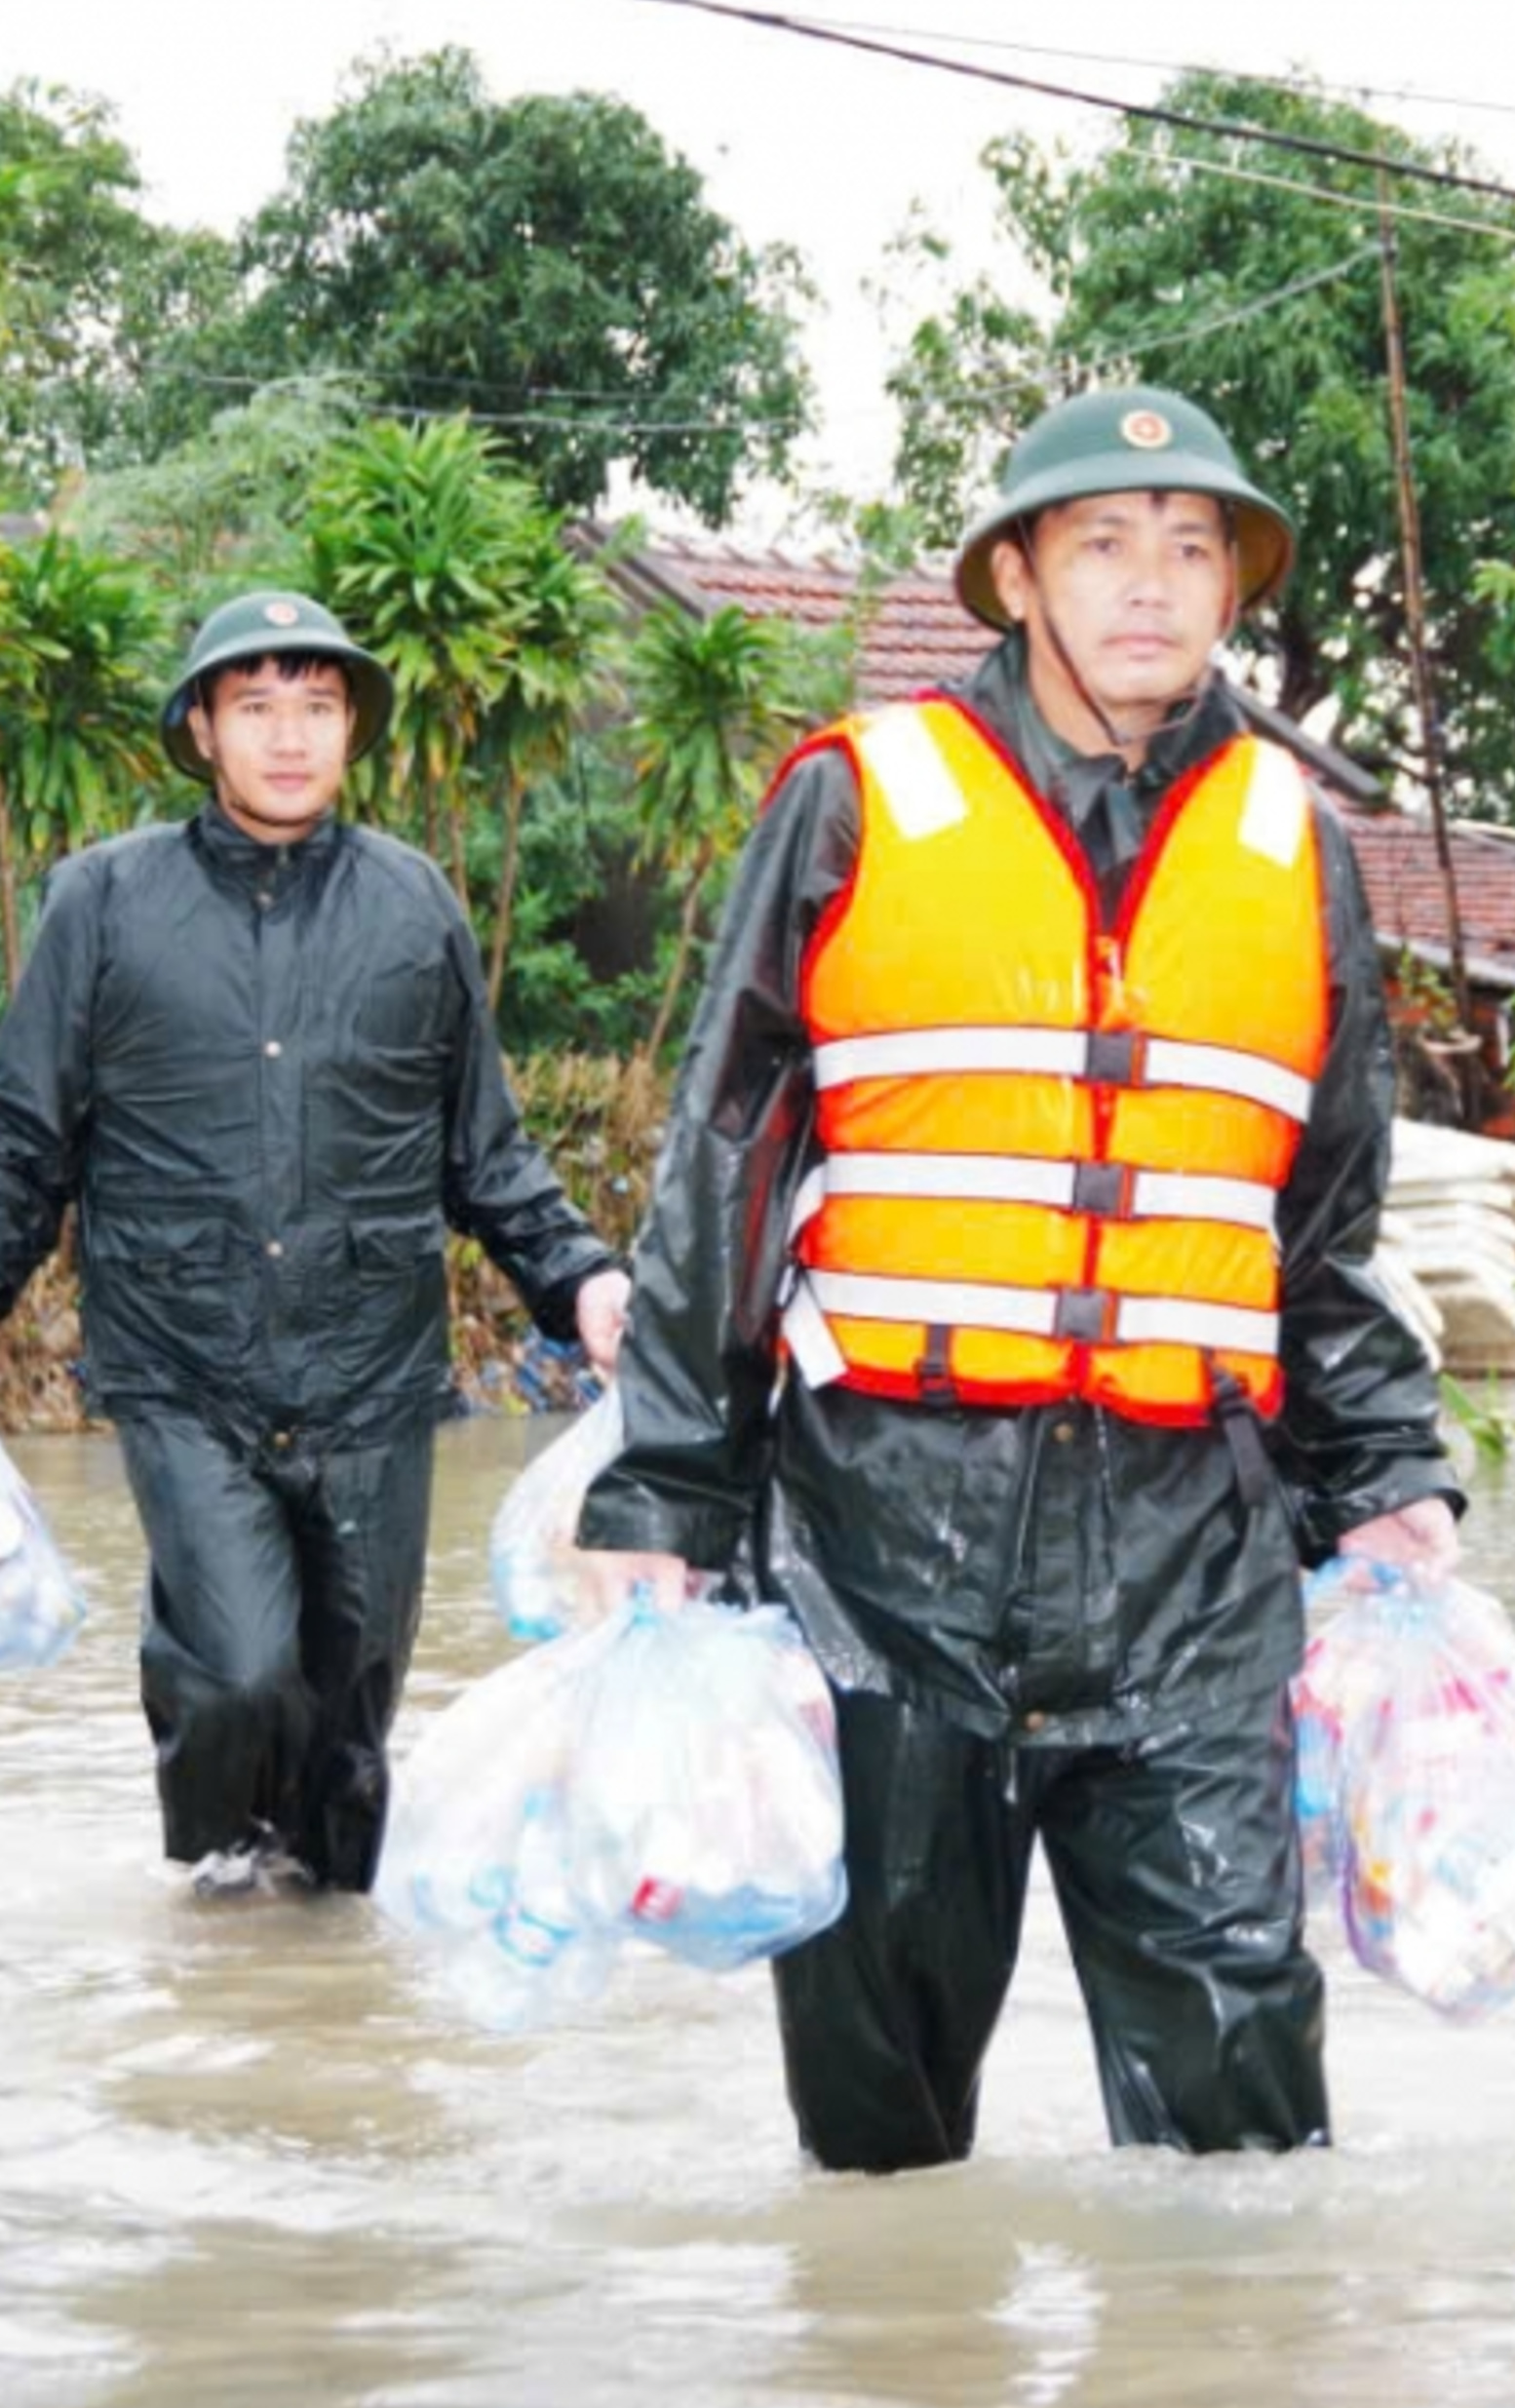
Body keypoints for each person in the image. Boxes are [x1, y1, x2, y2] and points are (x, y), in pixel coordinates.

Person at [577, 386, 1460, 2170]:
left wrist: (1385, 1479)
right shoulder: (857, 800)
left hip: (1194, 1548)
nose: (1153, 587)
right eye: (1104, 545)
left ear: (1234, 591)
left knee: (1242, 2105)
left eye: (1193, 549)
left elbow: (1326, 1222)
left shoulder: (1301, 848)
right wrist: (663, 1487)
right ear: (1019, 578)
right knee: (883, 2131)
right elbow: (729, 1161)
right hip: (888, 1534)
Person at [0, 589, 629, 1896]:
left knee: (351, 1743)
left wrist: (586, 1283)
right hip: (187, 1375)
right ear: (201, 729)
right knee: (235, 1679)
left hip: (371, 1381)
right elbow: (20, 1130)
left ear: (352, 730)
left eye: (320, 705)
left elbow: (487, 1155)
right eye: (257, 706)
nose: (291, 737)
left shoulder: (416, 909)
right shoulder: (104, 904)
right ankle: (219, 1928)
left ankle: (314, 2022)